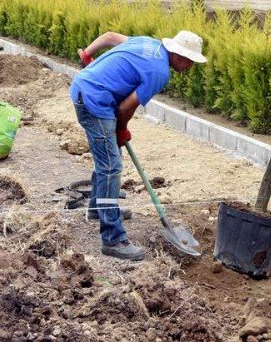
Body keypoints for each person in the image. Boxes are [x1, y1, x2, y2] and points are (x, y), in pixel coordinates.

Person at [71, 30, 207, 261]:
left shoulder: (148, 43)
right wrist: (121, 128)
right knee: (110, 166)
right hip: (95, 101)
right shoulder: (159, 72)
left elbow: (110, 36)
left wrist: (87, 55)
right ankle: (113, 238)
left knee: (108, 156)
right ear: (179, 56)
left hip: (88, 89)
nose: (189, 67)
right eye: (189, 61)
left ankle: (97, 208)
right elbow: (126, 108)